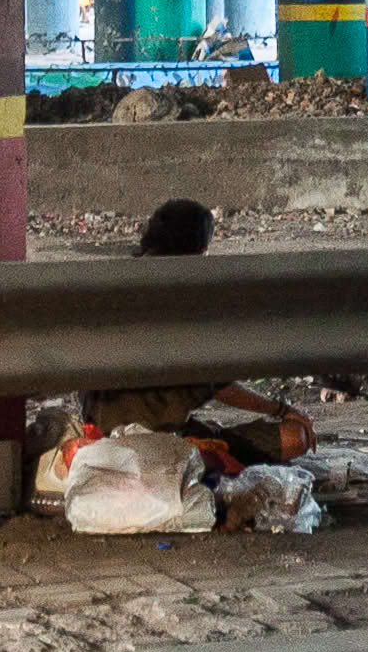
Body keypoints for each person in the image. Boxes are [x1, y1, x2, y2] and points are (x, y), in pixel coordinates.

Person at [77, 198, 316, 463]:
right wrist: (281, 409)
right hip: (164, 443)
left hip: (99, 437)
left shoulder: (110, 284)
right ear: (201, 252)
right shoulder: (186, 299)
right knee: (295, 437)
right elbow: (219, 385)